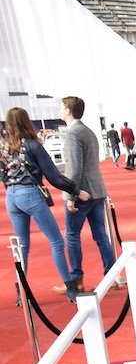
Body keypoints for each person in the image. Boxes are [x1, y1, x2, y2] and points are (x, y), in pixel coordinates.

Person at [1, 106, 90, 301]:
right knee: (56, 241)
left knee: (22, 246)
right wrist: (76, 191)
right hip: (29, 194)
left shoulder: (3, 147)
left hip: (11, 197)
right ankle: (71, 288)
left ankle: (21, 291)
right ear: (26, 122)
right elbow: (54, 176)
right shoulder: (33, 146)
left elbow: (3, 176)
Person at [60, 96, 119, 291]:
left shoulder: (73, 133)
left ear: (68, 110)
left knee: (72, 235)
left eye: (61, 107)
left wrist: (71, 196)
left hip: (82, 193)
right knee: (100, 234)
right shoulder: (88, 131)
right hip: (97, 189)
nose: (60, 111)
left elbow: (74, 168)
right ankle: (111, 276)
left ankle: (76, 279)